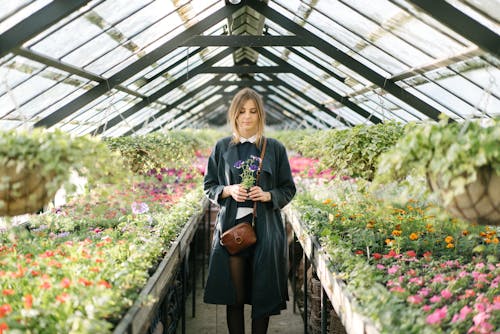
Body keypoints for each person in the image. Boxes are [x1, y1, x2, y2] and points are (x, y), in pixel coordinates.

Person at [203, 87, 297, 334]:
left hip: (266, 232)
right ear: (234, 114)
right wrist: (228, 190)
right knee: (234, 296)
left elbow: (288, 188)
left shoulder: (274, 148)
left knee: (262, 297)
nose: (247, 116)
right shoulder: (222, 147)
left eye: (253, 111)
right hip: (232, 231)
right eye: (242, 111)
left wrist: (268, 195)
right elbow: (209, 186)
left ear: (260, 115)